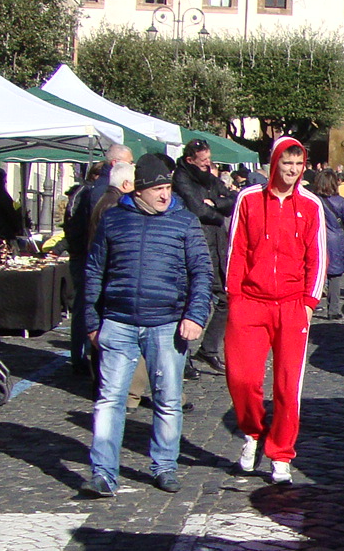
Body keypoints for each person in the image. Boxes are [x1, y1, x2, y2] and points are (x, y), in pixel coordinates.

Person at [81, 152, 213, 496]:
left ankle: (165, 466)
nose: (165, 194)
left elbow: (202, 272)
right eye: (157, 188)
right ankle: (103, 473)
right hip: (118, 322)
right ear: (138, 190)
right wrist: (92, 322)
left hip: (167, 323)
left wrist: (195, 315)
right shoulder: (114, 220)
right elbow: (94, 271)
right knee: (110, 399)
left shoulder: (184, 222)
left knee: (168, 399)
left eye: (168, 187)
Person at [224, 137, 325, 484]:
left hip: (292, 304)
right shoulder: (249, 199)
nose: (293, 171)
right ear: (274, 164)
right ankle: (252, 432)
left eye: (298, 165)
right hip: (250, 303)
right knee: (242, 377)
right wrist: (234, 297)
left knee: (287, 384)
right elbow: (237, 249)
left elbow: (317, 256)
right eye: (287, 164)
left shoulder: (311, 205)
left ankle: (281, 453)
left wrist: (310, 302)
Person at [65, 147, 134, 375]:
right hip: (94, 260)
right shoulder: (103, 194)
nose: (132, 167)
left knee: (86, 307)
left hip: (90, 257)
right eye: (129, 163)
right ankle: (84, 360)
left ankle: (84, 358)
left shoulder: (100, 191)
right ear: (116, 164)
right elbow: (95, 232)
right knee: (88, 308)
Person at [173, 138, 235, 375]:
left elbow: (231, 200)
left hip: (217, 244)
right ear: (190, 160)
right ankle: (183, 355)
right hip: (195, 243)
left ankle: (208, 349)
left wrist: (216, 204)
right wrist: (218, 213)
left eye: (209, 160)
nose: (208, 164)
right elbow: (197, 209)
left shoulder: (209, 177)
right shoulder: (181, 178)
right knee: (192, 300)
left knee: (225, 298)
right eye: (203, 161)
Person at [311, 169, 344, 319]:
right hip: (335, 239)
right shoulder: (340, 201)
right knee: (334, 276)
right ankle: (333, 309)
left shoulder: (313, 200)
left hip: (316, 238)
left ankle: (312, 304)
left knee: (315, 273)